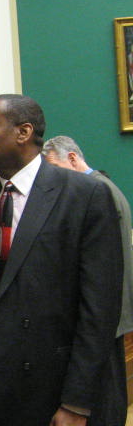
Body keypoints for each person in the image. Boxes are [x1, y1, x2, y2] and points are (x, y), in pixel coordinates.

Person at [0, 94, 125, 425]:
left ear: (23, 132)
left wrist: (77, 404)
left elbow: (100, 310)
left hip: (58, 392)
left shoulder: (85, 195)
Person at [43, 135, 133, 341]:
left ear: (73, 158)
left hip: (106, 311)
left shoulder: (97, 193)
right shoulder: (102, 187)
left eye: (57, 167)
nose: (54, 177)